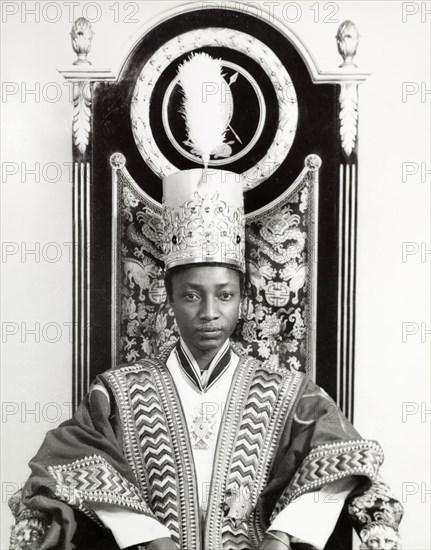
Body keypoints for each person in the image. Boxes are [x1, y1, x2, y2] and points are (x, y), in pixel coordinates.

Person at [9, 54, 403, 550]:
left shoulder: (286, 393)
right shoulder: (119, 394)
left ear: (244, 298)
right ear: (168, 298)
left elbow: (343, 457)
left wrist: (283, 535)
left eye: (225, 295)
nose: (210, 313)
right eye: (192, 295)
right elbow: (67, 463)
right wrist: (146, 534)